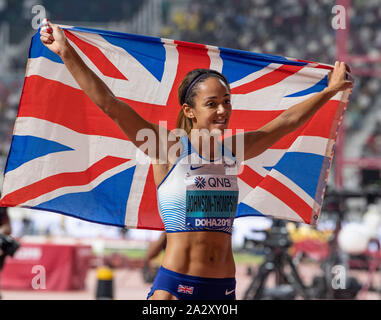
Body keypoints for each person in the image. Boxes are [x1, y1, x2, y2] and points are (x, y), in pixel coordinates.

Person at [40, 21, 353, 300]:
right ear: (190, 111)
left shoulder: (234, 150)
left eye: (227, 102)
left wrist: (330, 91)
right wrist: (66, 53)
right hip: (176, 286)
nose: (222, 110)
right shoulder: (167, 148)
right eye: (212, 103)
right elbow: (111, 105)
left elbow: (284, 123)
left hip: (223, 288)